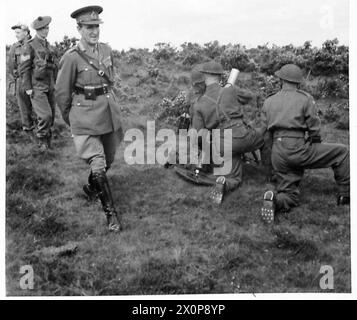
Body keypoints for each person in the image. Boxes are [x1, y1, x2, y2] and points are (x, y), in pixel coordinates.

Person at [55, 5, 124, 232]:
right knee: (98, 160)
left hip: (107, 112)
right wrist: (73, 118)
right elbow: (62, 94)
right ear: (79, 29)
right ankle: (111, 216)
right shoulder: (71, 57)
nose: (94, 31)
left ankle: (93, 187)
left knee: (109, 158)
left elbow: (110, 81)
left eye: (96, 26)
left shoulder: (106, 50)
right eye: (89, 27)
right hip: (84, 114)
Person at [260, 64, 350, 224]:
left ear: (281, 79)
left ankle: (276, 201)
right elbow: (314, 128)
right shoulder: (305, 98)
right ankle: (345, 195)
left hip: (278, 151)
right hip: (298, 147)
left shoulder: (269, 101)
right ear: (298, 82)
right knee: (342, 152)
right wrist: (314, 141)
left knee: (289, 193)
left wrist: (270, 166)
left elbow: (266, 135)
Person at [191, 61, 266, 204]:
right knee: (266, 135)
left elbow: (199, 136)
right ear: (220, 76)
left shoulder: (198, 104)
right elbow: (250, 97)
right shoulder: (229, 90)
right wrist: (231, 88)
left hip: (223, 143)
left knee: (234, 177)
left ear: (205, 76)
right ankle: (270, 174)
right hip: (242, 135)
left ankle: (224, 183)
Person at [19, 16, 57, 150]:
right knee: (45, 115)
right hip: (37, 87)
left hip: (50, 86)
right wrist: (28, 87)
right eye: (42, 29)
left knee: (51, 115)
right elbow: (24, 68)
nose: (46, 31)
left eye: (47, 28)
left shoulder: (48, 45)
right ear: (37, 30)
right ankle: (41, 139)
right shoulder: (29, 45)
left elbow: (53, 66)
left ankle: (47, 140)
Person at [8, 23, 35, 134]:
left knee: (39, 108)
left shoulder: (34, 45)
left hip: (34, 81)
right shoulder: (14, 47)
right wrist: (17, 79)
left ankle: (43, 133)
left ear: (26, 33)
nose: (16, 35)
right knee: (24, 109)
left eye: (18, 32)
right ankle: (29, 132)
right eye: (15, 33)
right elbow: (11, 65)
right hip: (20, 81)